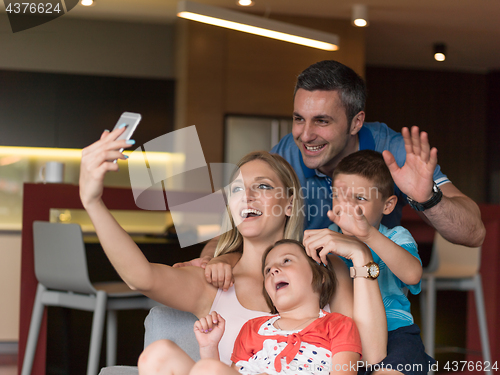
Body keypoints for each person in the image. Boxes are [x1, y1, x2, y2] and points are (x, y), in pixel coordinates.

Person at [79, 133, 385, 365]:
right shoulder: (213, 280)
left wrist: (361, 256)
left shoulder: (326, 267)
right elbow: (140, 277)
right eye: (237, 189)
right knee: (158, 355)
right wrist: (92, 201)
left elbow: (370, 356)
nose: (247, 196)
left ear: (289, 203)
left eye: (263, 186)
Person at [270, 60, 485, 247]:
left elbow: (474, 235)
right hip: (305, 286)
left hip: (374, 285)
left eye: (322, 121)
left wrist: (428, 199)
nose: (305, 136)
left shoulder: (394, 153)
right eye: (299, 119)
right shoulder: (286, 153)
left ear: (356, 123)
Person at [138, 239, 362, 375]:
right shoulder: (254, 328)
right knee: (157, 354)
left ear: (320, 276)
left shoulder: (338, 325)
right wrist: (209, 348)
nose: (273, 270)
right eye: (267, 270)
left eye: (286, 261)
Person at [304, 150, 434, 375]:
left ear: (388, 205)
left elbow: (413, 275)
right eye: (340, 196)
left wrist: (368, 236)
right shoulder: (327, 240)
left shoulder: (395, 237)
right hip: (341, 338)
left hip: (396, 333)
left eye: (360, 198)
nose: (348, 206)